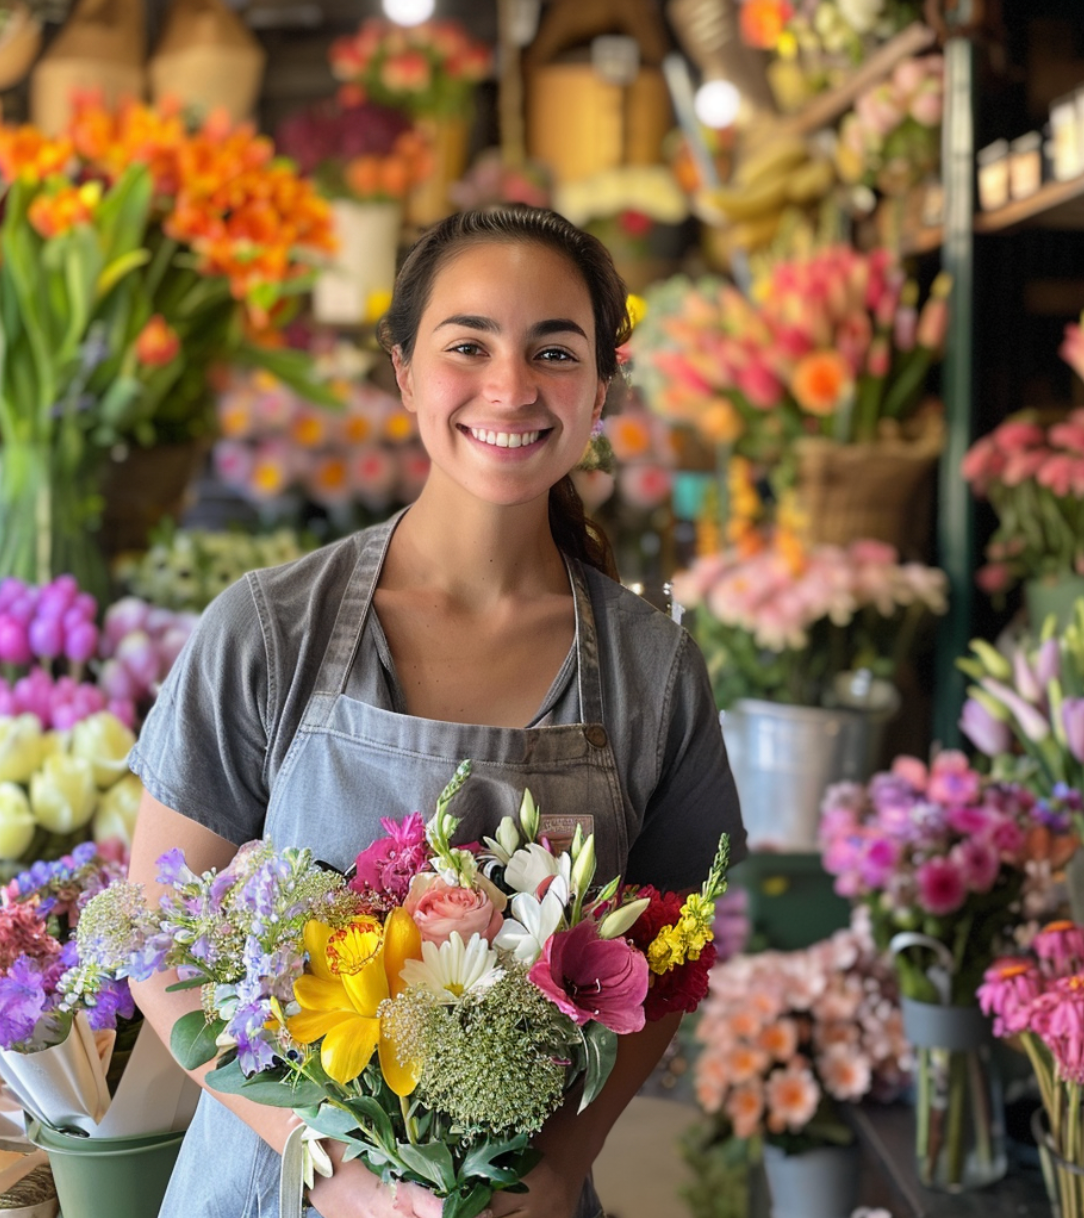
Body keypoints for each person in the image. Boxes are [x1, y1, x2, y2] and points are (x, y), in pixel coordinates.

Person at [127, 205, 746, 1218]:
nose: (510, 388)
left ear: (601, 391)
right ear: (407, 372)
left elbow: (668, 969)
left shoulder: (653, 670)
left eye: (554, 351)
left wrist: (560, 1165)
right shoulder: (272, 631)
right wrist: (327, 1161)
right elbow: (160, 933)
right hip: (270, 1188)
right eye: (469, 345)